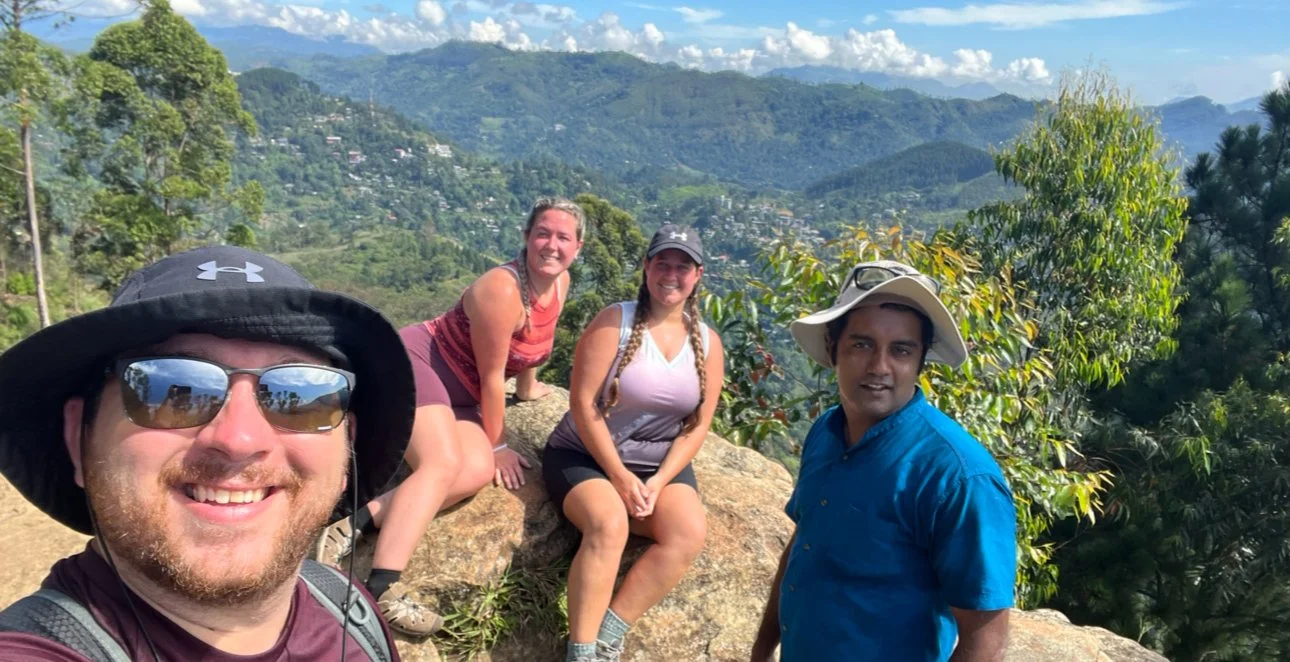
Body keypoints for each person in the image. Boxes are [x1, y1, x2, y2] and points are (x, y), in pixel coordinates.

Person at [0, 245, 416, 660]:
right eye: (172, 390)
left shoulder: (352, 616)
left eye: (300, 396)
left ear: (347, 451)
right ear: (79, 439)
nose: (240, 440)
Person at [315, 197, 586, 635]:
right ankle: (382, 588)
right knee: (441, 465)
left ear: (578, 246)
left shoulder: (560, 283)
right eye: (542, 233)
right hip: (421, 364)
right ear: (526, 237)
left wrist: (531, 388)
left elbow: (536, 337)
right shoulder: (502, 289)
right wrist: (499, 445)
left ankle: (359, 520)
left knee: (475, 472)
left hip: (464, 394)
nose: (551, 245)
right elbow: (493, 376)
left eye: (563, 237)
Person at [750, 260, 1017, 662]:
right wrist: (761, 651)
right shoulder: (826, 432)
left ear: (920, 361)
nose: (879, 367)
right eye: (861, 344)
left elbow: (985, 641)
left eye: (901, 350)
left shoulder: (957, 477)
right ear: (832, 349)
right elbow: (805, 543)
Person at [543, 224, 724, 662]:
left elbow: (698, 424)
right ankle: (581, 652)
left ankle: (609, 634)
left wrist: (660, 481)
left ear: (697, 275)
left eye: (683, 267)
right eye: (663, 263)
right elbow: (583, 404)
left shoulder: (707, 342)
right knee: (610, 524)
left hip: (658, 461)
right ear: (646, 267)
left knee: (687, 532)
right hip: (584, 454)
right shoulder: (615, 321)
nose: (671, 274)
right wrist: (621, 477)